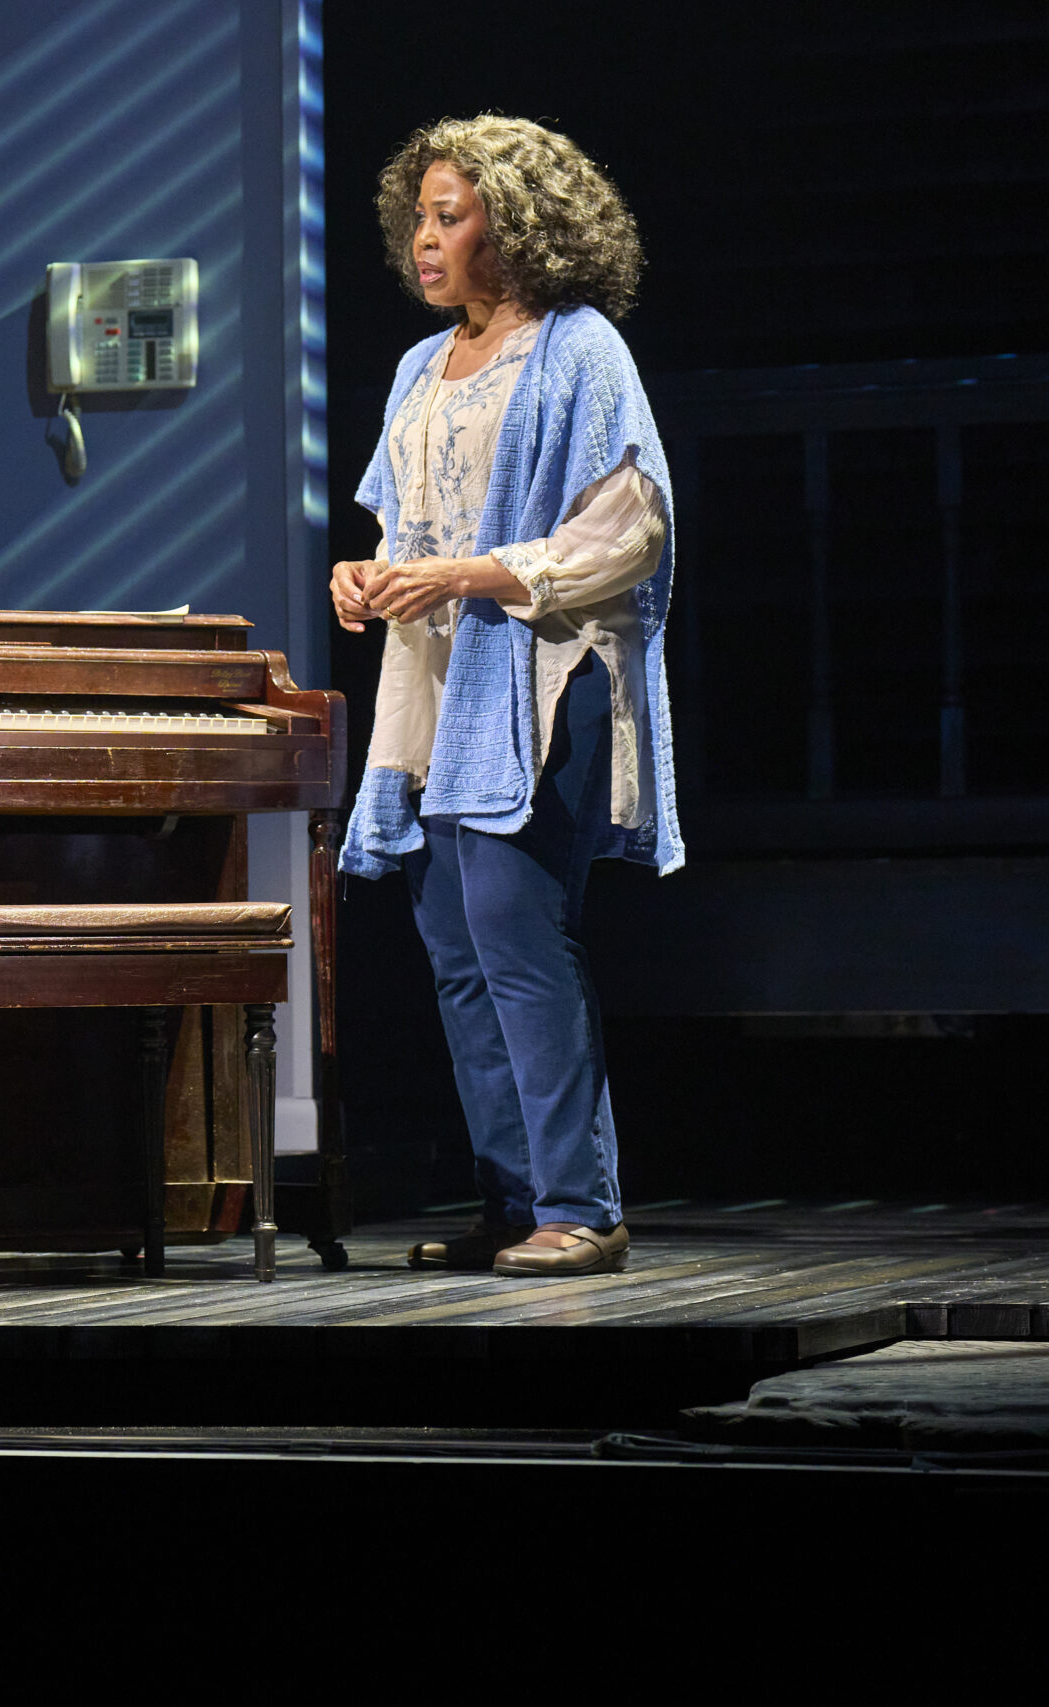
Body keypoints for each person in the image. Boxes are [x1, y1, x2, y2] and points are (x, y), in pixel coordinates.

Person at [331, 116, 681, 1278]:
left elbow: (626, 530)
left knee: (517, 929)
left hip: (544, 675)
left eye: (450, 217)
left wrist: (479, 573)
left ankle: (582, 1206)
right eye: (417, 219)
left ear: (515, 228)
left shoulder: (579, 351)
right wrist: (368, 571)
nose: (423, 242)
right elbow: (410, 527)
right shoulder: (418, 370)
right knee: (452, 943)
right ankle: (515, 1195)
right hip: (440, 683)